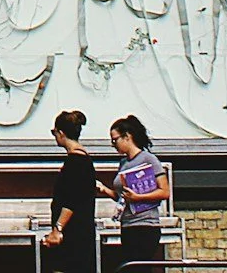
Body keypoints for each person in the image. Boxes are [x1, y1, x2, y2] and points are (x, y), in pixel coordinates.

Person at [41, 109, 106, 273]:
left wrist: (58, 229)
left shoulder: (74, 162)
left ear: (61, 133)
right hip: (82, 232)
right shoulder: (84, 160)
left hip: (74, 234)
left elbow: (71, 200)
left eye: (54, 132)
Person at [109, 115, 167, 270]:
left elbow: (164, 191)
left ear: (127, 137)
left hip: (145, 224)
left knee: (138, 266)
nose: (113, 145)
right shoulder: (124, 163)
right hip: (127, 224)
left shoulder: (148, 159)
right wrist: (104, 190)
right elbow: (121, 196)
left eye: (115, 140)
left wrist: (139, 197)